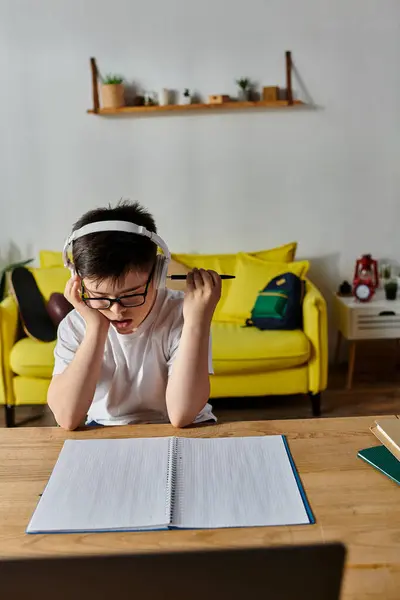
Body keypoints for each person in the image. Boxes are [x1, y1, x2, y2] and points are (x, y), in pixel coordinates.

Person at [47, 201, 221, 430]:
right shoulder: (76, 324)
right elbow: (67, 418)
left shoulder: (185, 314)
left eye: (131, 295)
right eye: (99, 296)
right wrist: (96, 328)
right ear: (78, 282)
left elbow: (182, 414)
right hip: (104, 429)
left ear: (158, 275)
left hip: (184, 429)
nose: (116, 310)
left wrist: (197, 322)